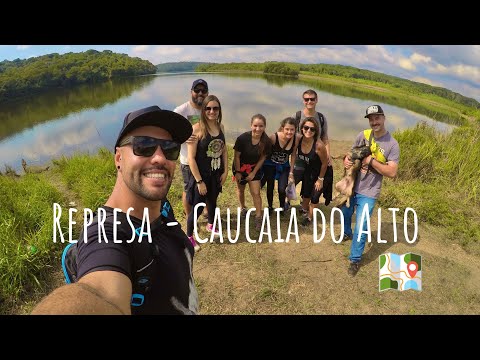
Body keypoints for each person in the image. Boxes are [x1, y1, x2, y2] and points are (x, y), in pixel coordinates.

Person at [32, 105, 199, 315]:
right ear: (119, 159)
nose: (160, 158)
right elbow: (99, 291)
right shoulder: (105, 235)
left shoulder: (162, 206)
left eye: (170, 148)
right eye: (144, 145)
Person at [341, 105, 400, 277]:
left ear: (383, 118)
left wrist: (371, 161)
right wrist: (346, 161)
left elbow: (392, 172)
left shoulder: (392, 144)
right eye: (371, 119)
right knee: (345, 213)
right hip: (352, 186)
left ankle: (355, 259)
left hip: (370, 191)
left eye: (377, 118)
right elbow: (350, 154)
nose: (374, 122)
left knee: (362, 225)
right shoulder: (363, 135)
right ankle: (346, 232)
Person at [186, 95, 228, 251]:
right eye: (208, 108)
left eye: (215, 108)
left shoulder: (221, 127)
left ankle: (211, 224)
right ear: (203, 110)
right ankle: (189, 236)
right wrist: (199, 181)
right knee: (197, 208)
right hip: (201, 175)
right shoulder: (196, 128)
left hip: (216, 173)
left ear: (219, 110)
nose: (212, 111)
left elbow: (223, 149)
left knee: (212, 201)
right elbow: (191, 158)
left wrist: (226, 170)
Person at [174, 79, 209, 218]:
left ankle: (206, 211)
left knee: (206, 186)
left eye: (203, 91)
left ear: (207, 93)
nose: (200, 93)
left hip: (206, 159)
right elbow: (170, 134)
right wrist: (183, 137)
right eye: (197, 90)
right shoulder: (181, 111)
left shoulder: (210, 109)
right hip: (188, 160)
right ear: (191, 92)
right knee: (189, 190)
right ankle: (189, 216)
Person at [292, 89, 333, 205]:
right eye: (306, 99)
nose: (309, 101)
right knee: (292, 180)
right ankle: (286, 202)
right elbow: (289, 133)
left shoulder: (321, 118)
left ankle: (304, 205)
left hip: (314, 156)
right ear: (303, 100)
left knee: (309, 183)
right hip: (300, 156)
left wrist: (327, 154)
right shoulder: (297, 116)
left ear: (316, 100)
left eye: (312, 99)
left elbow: (325, 138)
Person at [232, 114, 272, 230]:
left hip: (254, 168)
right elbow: (236, 156)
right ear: (251, 125)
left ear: (264, 127)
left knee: (256, 193)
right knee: (241, 189)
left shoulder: (266, 141)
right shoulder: (242, 138)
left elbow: (262, 158)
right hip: (240, 167)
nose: (258, 129)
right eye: (255, 125)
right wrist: (238, 172)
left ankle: (258, 217)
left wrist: (254, 173)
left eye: (261, 126)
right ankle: (243, 208)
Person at [292, 117, 328, 226]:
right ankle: (304, 209)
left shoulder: (319, 146)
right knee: (306, 192)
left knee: (315, 196)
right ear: (302, 129)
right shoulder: (298, 140)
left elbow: (325, 163)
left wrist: (320, 179)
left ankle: (310, 218)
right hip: (309, 171)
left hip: (321, 173)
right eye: (306, 127)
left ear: (316, 131)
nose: (308, 131)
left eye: (312, 129)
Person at [260, 117, 299, 214]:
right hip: (270, 164)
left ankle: (282, 207)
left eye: (292, 129)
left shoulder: (295, 140)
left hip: (284, 166)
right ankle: (270, 207)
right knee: (270, 186)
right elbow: (264, 152)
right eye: (287, 129)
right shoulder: (274, 137)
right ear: (282, 128)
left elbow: (294, 155)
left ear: (295, 129)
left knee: (282, 189)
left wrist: (291, 172)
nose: (289, 132)